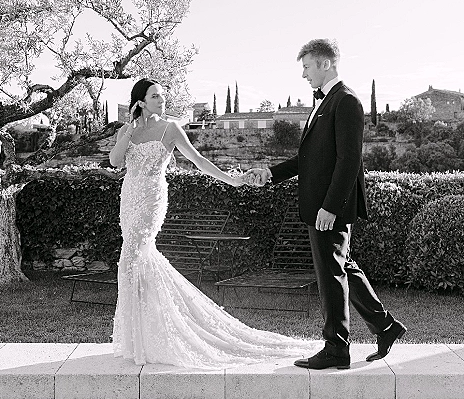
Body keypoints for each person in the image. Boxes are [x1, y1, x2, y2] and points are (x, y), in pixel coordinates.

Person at [109, 77, 317, 369]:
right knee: (131, 262)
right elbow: (116, 162)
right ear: (140, 101)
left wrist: (231, 180)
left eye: (163, 96)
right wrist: (128, 132)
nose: (162, 100)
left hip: (151, 199)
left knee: (134, 256)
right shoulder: (126, 130)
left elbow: (199, 161)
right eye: (155, 96)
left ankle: (158, 335)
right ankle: (139, 338)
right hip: (129, 197)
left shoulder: (171, 129)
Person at [251, 39, 406, 370]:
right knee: (343, 266)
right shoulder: (325, 102)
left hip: (329, 207)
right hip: (321, 204)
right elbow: (309, 159)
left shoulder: (346, 101)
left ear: (325, 64)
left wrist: (331, 207)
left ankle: (336, 348)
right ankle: (386, 327)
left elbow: (349, 161)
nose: (304, 74)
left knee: (330, 273)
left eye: (306, 67)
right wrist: (269, 173)